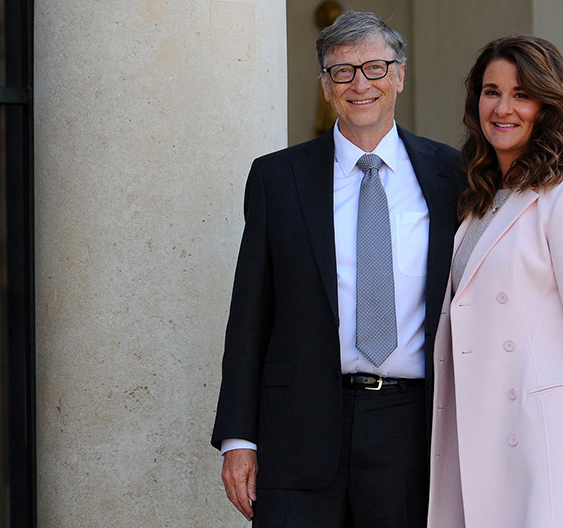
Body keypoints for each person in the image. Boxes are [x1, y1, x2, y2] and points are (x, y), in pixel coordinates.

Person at [211, 11, 462, 527]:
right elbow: (250, 313)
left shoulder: (452, 176)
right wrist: (238, 438)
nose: (359, 84)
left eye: (374, 68)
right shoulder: (277, 177)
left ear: (399, 76)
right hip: (297, 426)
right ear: (326, 87)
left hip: (409, 428)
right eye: (342, 71)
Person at [427, 35, 563, 527]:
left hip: (548, 439)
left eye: (521, 94)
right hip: (484, 431)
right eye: (492, 92)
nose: (503, 108)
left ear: (547, 105)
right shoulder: (480, 199)